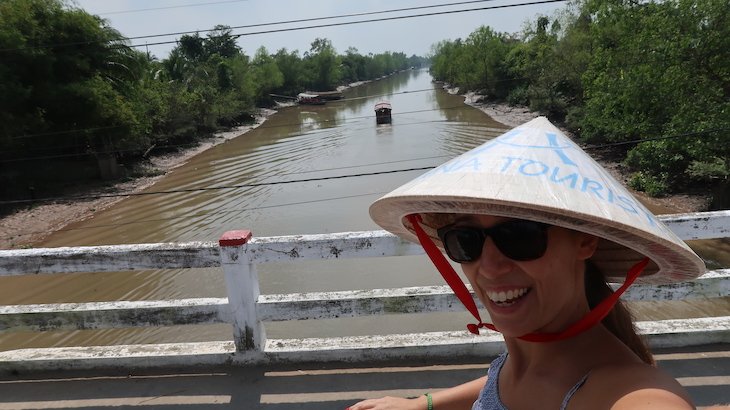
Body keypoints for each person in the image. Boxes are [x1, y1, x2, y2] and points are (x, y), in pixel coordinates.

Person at [349, 117, 705, 409]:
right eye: (465, 241)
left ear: (585, 240)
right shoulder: (524, 357)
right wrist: (423, 404)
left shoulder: (629, 392)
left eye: (519, 236)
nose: (489, 266)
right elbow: (500, 384)